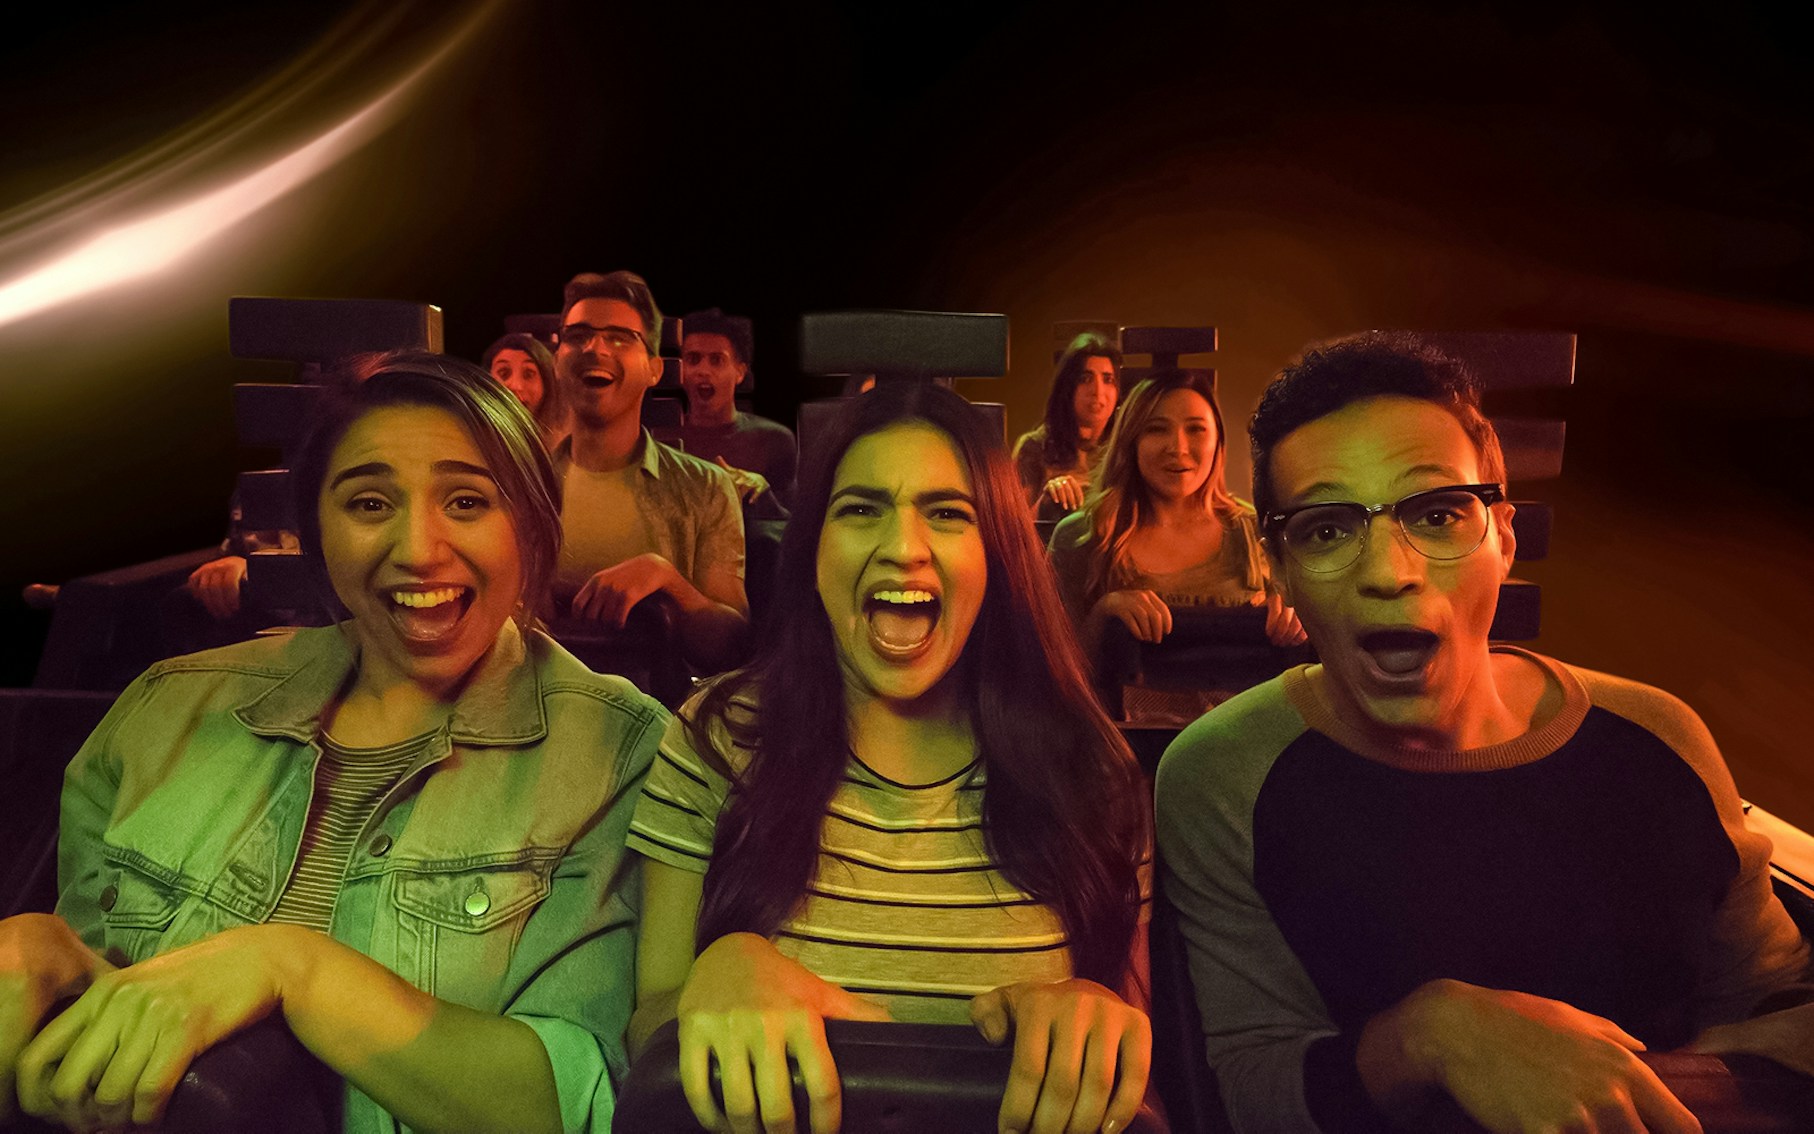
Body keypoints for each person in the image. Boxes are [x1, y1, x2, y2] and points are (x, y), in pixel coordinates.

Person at [1154, 332, 1813, 1133]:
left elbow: (1781, 1002)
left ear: (1503, 535)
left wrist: (1653, 1079)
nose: (1389, 570)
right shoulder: (1221, 774)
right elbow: (1244, 1088)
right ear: (1280, 567)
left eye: (1437, 514)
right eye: (1328, 528)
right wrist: (1427, 1036)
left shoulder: (1658, 737)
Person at [2, 353, 663, 1132]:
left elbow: (572, 1104)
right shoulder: (168, 706)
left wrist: (291, 967)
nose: (418, 547)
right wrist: (49, 958)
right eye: (371, 502)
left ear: (530, 525)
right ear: (317, 528)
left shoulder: (617, 752)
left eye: (466, 501)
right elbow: (108, 1016)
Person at [627, 382, 1155, 1134]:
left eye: (947, 514)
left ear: (998, 556)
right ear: (812, 554)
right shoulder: (716, 739)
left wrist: (1094, 1014)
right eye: (861, 509)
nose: (903, 547)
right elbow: (648, 1032)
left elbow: (1133, 1051)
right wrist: (717, 972)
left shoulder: (1092, 773)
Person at [1049, 368, 1304, 722]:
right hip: (1124, 753)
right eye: (1156, 429)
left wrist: (1298, 612)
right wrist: (1104, 613)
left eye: (1196, 429)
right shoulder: (1081, 538)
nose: (1178, 448)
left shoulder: (1263, 533)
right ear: (1131, 440)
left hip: (1242, 743)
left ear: (1217, 440)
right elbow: (1049, 674)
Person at [550, 271, 749, 673]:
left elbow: (733, 645)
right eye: (578, 335)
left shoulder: (705, 487)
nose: (595, 348)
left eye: (620, 338)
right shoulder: (518, 483)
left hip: (660, 719)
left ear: (654, 370)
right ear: (557, 359)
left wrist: (668, 581)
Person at [673, 307, 797, 507]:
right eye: (694, 359)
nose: (703, 371)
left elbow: (792, 526)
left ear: (740, 372)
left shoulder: (773, 440)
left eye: (716, 360)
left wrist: (762, 491)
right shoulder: (660, 437)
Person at [1012, 332, 1122, 513]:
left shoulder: (1125, 447)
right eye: (1085, 379)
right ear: (1067, 387)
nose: (1098, 390)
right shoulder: (1035, 447)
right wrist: (1047, 500)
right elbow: (1013, 526)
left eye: (1107, 379)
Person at [483, 331, 567, 449]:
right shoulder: (472, 442)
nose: (517, 386)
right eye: (504, 373)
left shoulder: (564, 450)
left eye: (529, 374)